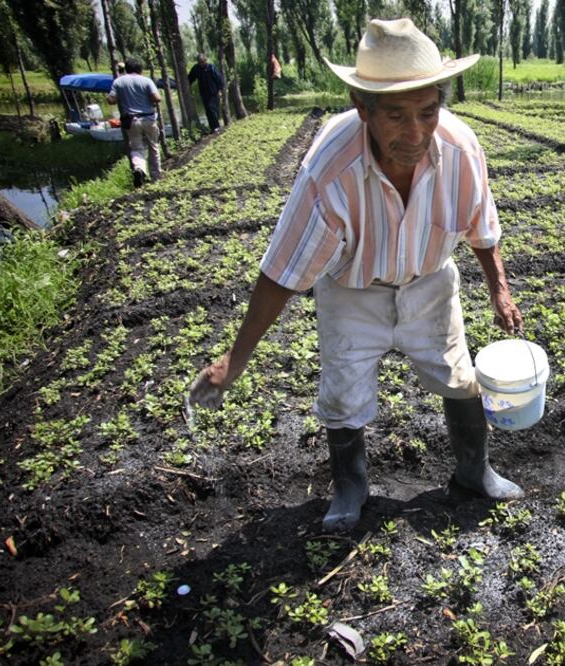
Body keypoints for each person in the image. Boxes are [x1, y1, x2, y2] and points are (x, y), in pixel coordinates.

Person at [188, 18, 525, 532]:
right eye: (396, 115)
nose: (414, 134)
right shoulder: (330, 167)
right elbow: (282, 271)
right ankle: (351, 486)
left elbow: (483, 225)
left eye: (428, 112)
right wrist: (235, 359)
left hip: (431, 281)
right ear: (360, 106)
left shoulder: (461, 150)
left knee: (460, 378)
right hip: (352, 290)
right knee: (343, 395)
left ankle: (474, 471)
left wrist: (499, 289)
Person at [107, 57, 161, 187]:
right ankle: (156, 176)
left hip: (131, 120)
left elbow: (111, 100)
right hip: (148, 118)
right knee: (153, 146)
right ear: (140, 69)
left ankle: (139, 169)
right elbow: (157, 98)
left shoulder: (118, 82)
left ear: (127, 69)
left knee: (137, 147)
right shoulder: (146, 80)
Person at [187, 53, 225, 132]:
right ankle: (213, 128)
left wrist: (220, 90)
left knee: (213, 110)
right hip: (204, 93)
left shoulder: (211, 67)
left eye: (203, 62)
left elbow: (218, 79)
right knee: (208, 111)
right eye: (200, 62)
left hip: (213, 92)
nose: (201, 64)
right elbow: (190, 78)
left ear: (205, 60)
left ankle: (217, 127)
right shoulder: (196, 69)